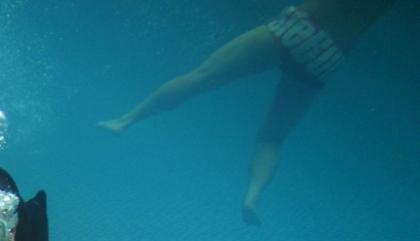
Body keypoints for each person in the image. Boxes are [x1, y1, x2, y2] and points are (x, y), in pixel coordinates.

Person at [98, 0, 394, 226]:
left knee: (202, 77)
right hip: (329, 55)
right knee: (272, 138)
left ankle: (124, 120)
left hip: (297, 27)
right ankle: (253, 197)